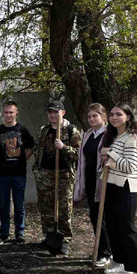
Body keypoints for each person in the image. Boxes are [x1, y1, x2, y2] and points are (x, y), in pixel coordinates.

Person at [101, 103, 137, 274]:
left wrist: (110, 154)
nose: (114, 118)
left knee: (128, 228)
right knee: (113, 226)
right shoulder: (116, 137)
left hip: (127, 188)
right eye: (112, 114)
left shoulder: (132, 138)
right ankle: (121, 263)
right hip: (113, 185)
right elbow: (109, 163)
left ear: (128, 117)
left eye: (118, 114)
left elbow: (129, 166)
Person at [32, 100, 81, 255]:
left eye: (56, 112)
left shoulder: (72, 130)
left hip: (63, 175)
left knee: (64, 208)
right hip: (45, 174)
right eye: (50, 112)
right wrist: (37, 170)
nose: (52, 115)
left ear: (63, 113)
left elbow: (79, 154)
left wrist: (64, 148)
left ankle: (64, 239)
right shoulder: (43, 130)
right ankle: (49, 236)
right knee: (46, 208)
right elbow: (38, 150)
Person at [0, 101, 35, 245]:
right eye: (6, 112)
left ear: (16, 113)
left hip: (19, 174)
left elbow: (30, 149)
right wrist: (4, 160)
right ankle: (3, 234)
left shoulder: (23, 130)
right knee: (4, 205)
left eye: (11, 112)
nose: (8, 115)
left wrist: (20, 160)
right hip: (2, 174)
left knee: (19, 205)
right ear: (3, 113)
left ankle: (20, 234)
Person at [74, 103, 112, 267]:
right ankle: (101, 248)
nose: (91, 119)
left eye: (95, 116)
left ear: (103, 116)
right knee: (94, 216)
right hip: (89, 180)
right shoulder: (88, 134)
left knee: (103, 217)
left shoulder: (109, 135)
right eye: (89, 117)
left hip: (104, 181)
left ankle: (106, 253)